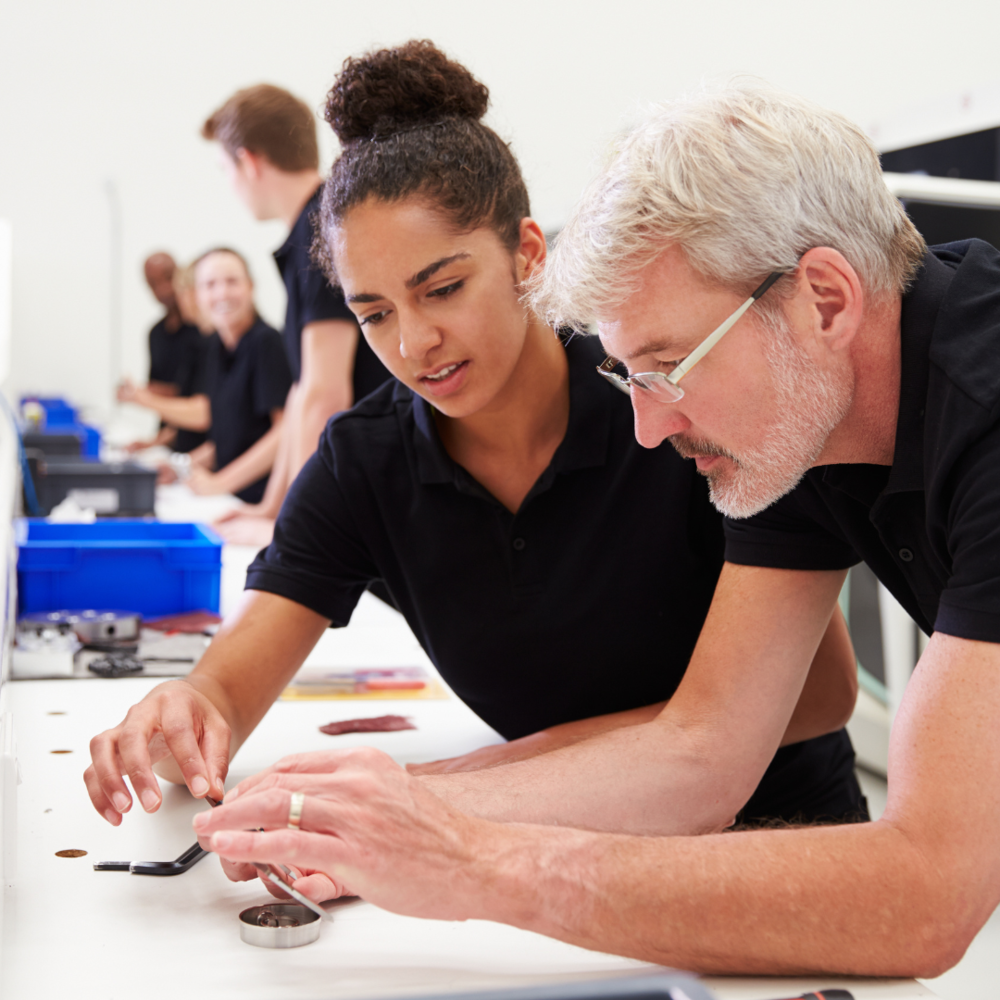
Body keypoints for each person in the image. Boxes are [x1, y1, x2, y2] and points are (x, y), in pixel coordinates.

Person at [189, 80, 1000, 978]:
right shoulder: (801, 416)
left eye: (668, 366)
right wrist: (403, 810)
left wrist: (474, 861)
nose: (648, 429)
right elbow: (705, 749)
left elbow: (930, 892)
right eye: (629, 375)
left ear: (826, 301)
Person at [86, 46, 864, 893]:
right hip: (540, 868)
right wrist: (185, 715)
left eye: (443, 289)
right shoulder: (365, 463)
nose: (414, 343)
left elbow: (821, 694)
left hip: (773, 854)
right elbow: (226, 688)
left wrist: (444, 793)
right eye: (374, 313)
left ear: (527, 252)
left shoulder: (667, 401)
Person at [200, 84, 391, 545]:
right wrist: (272, 508)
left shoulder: (322, 230)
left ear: (249, 162)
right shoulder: (312, 226)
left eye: (225, 170)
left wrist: (295, 530)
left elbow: (325, 395)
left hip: (379, 481)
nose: (230, 185)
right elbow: (301, 390)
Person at [120, 248, 292, 502]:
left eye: (232, 281)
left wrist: (221, 482)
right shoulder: (217, 350)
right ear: (197, 295)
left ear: (250, 286)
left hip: (260, 499)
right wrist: (180, 467)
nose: (222, 293)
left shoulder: (265, 342)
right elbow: (229, 439)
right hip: (229, 496)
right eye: (210, 285)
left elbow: (285, 432)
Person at [126, 252, 207, 454]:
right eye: (153, 284)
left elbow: (205, 412)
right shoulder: (155, 334)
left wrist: (145, 398)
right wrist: (156, 443)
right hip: (180, 446)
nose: (164, 290)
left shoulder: (207, 339)